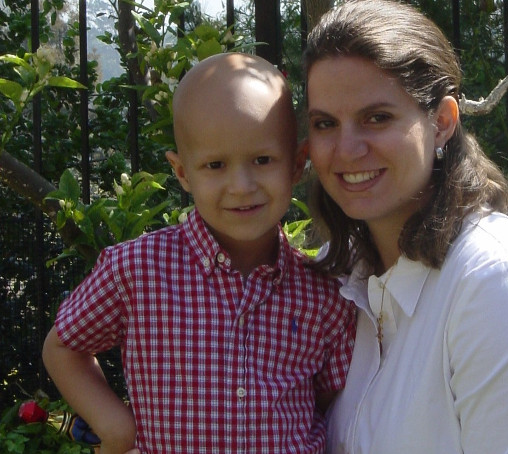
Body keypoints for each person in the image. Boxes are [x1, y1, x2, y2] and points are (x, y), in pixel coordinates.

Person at [302, 1, 508, 453]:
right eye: (325, 123)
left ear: (443, 122)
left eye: (377, 118)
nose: (347, 149)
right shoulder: (336, 282)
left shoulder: (498, 280)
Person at [42, 52, 356, 454]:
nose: (241, 186)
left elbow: (330, 404)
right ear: (182, 172)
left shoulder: (325, 293)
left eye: (262, 160)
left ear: (296, 164)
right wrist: (115, 427)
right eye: (215, 165)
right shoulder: (136, 270)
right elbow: (63, 346)